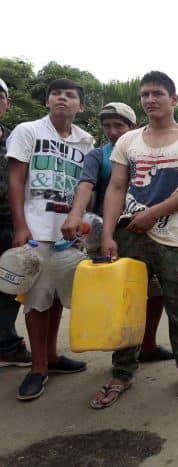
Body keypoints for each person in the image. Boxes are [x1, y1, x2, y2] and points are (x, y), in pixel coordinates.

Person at [90, 71, 178, 409]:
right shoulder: (128, 141)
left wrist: (152, 213)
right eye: (145, 94)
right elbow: (115, 188)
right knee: (126, 305)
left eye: (157, 93)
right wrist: (109, 234)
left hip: (174, 239)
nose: (150, 99)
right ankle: (122, 371)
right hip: (130, 236)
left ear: (173, 99)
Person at [60, 102, 174, 363]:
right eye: (107, 126)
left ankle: (148, 345)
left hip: (150, 232)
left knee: (155, 293)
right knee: (121, 294)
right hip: (111, 234)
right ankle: (123, 352)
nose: (112, 131)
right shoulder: (98, 156)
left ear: (132, 126)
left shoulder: (147, 153)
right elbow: (86, 186)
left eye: (118, 125)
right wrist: (76, 214)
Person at [6, 78, 92, 400]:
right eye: (56, 94)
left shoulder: (86, 141)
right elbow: (15, 180)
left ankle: (53, 357)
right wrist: (20, 226)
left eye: (70, 95)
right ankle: (38, 367)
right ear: (47, 101)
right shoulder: (28, 131)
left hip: (68, 235)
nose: (62, 99)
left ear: (80, 106)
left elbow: (85, 187)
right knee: (36, 300)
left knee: (55, 297)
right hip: (36, 231)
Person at [0, 78, 32, 368]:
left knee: (9, 287)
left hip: (11, 224)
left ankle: (7, 345)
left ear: (7, 104)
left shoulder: (15, 140)